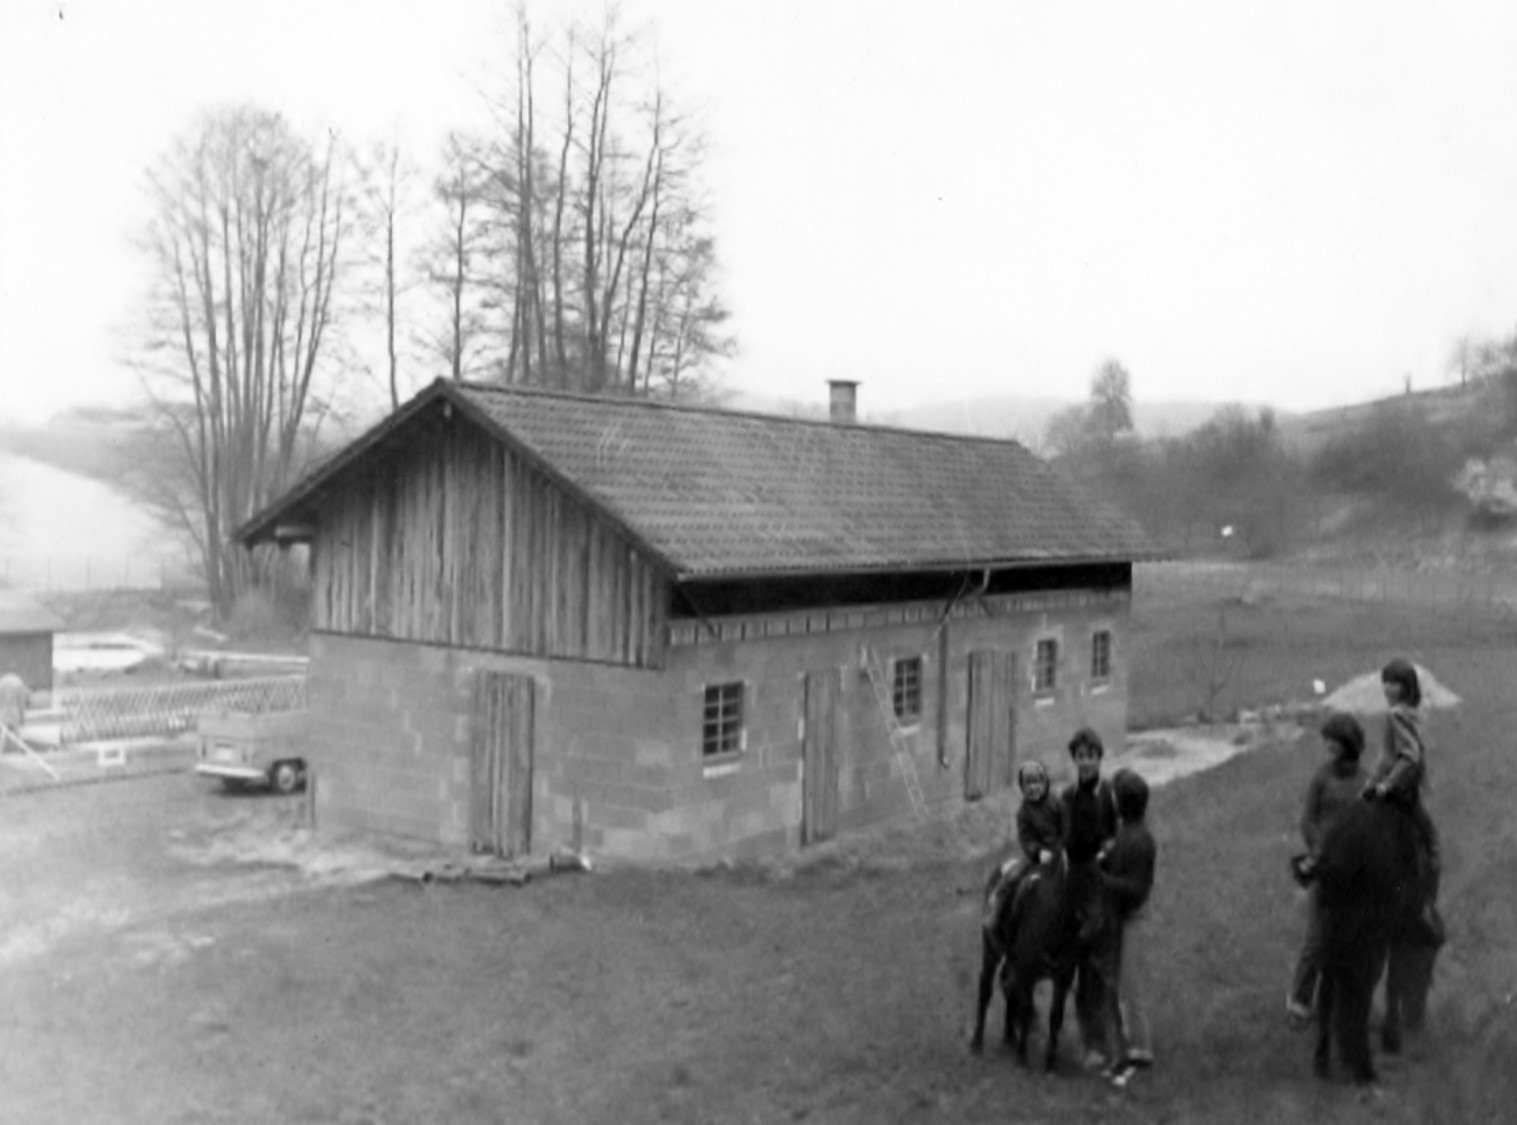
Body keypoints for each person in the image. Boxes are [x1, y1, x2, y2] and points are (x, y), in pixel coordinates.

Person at [1285, 711, 1368, 1027]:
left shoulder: (1366, 781)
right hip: (1324, 867)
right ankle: (1299, 1000)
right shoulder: (1322, 777)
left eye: (1332, 741)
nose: (1327, 746)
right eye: (1327, 740)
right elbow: (1307, 820)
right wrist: (1319, 849)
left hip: (1354, 871)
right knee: (1316, 939)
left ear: (1348, 743)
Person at [1363, 658, 1442, 927]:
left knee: (1407, 849)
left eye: (1394, 683)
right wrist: (1385, 784)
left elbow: (1392, 756)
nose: (1387, 688)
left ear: (1406, 687)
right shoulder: (1402, 714)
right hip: (1401, 794)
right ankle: (1422, 905)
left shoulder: (1399, 714)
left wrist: (1377, 784)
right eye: (1385, 682)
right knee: (1429, 847)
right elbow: (1410, 756)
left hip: (1398, 793)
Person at [1059, 726, 1119, 1068]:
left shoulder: (1109, 795)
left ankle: (1108, 1038)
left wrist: (1107, 850)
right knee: (1078, 964)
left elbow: (1116, 836)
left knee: (1101, 967)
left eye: (1091, 756)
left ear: (1099, 758)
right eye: (1080, 757)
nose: (1085, 763)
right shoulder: (1067, 798)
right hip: (1076, 881)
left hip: (1102, 882)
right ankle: (1090, 1043)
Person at [1097, 768, 1158, 1084]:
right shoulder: (1127, 834)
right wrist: (1104, 858)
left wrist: (1103, 879)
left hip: (1134, 918)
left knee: (1132, 985)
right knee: (1122, 983)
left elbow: (1136, 888)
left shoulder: (1140, 841)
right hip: (1121, 916)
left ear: (1124, 805)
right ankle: (1128, 1041)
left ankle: (1141, 1049)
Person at [984, 760, 1065, 932]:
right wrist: (1037, 853)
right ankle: (997, 913)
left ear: (1044, 783)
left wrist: (1061, 847)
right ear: (1022, 788)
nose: (1033, 788)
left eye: (1036, 782)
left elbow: (1066, 827)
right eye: (1028, 784)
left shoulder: (1057, 803)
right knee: (1012, 878)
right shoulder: (1023, 812)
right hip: (1036, 856)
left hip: (1060, 851)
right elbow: (1026, 838)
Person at [0, 671, 29, 750]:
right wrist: (22, 718)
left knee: (3, 734)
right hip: (15, 712)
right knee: (17, 734)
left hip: (3, 712)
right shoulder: (19, 683)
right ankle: (18, 751)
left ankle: (1, 752)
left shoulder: (2, 682)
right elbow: (21, 702)